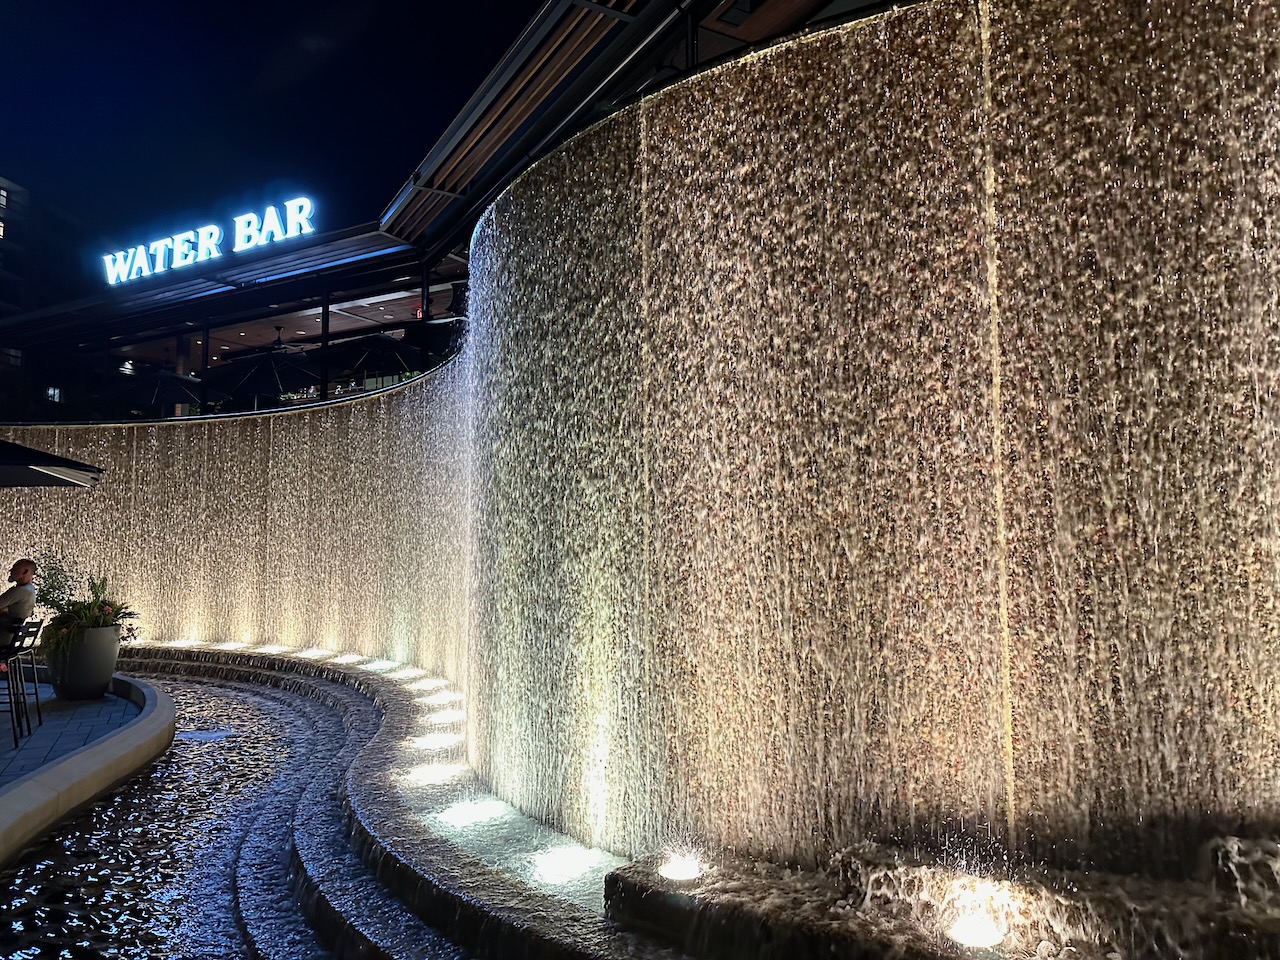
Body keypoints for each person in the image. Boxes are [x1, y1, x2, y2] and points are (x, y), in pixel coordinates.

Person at [0, 558, 37, 634]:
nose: (11, 571)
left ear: (25, 572)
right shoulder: (30, 589)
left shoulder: (20, 590)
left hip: (4, 636)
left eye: (14, 568)